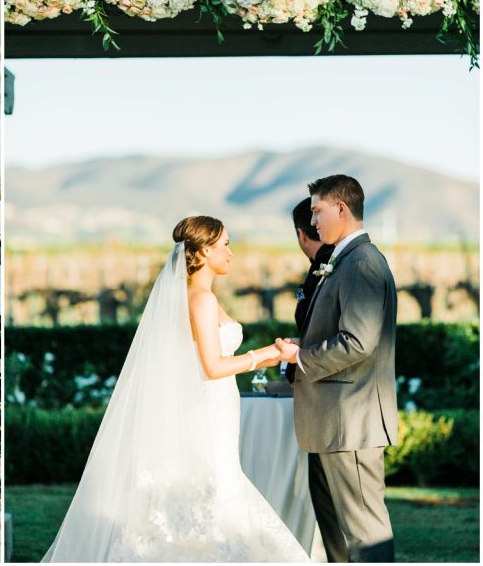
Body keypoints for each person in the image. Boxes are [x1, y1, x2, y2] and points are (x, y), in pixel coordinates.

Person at [43, 216, 310, 562]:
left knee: (211, 487)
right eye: (225, 245)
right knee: (212, 489)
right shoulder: (200, 299)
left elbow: (204, 360)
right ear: (202, 251)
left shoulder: (198, 296)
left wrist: (271, 355)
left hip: (213, 405)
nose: (231, 252)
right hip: (207, 409)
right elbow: (213, 367)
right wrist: (267, 354)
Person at [277, 175, 398, 562]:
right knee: (344, 541)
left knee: (366, 537)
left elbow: (358, 343)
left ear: (341, 209)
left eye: (317, 211)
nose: (312, 221)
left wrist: (301, 358)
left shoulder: (361, 263)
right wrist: (304, 345)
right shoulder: (343, 260)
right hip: (337, 422)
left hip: (352, 421)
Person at [285, 197, 336, 384]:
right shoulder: (339, 258)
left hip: (323, 380)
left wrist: (295, 363)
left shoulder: (326, 265)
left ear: (301, 234)